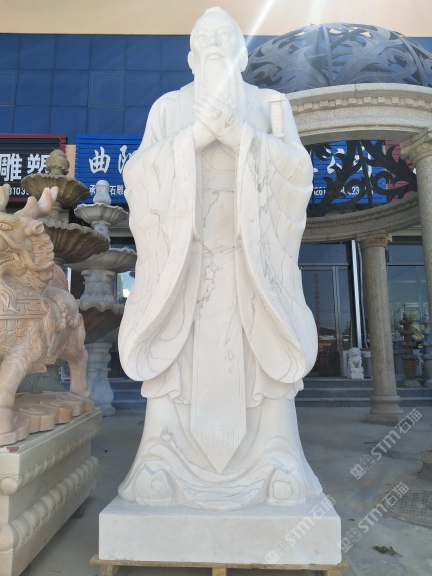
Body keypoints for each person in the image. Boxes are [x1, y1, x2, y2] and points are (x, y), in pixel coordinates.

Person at [118, 7, 321, 510]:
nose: (212, 42)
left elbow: (298, 173)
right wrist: (193, 139)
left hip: (253, 266)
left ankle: (275, 455)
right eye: (202, 37)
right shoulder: (168, 108)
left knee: (262, 359)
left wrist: (240, 137)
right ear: (190, 57)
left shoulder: (270, 105)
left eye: (223, 35)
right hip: (183, 267)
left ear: (242, 54)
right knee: (176, 360)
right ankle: (162, 457)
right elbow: (138, 176)